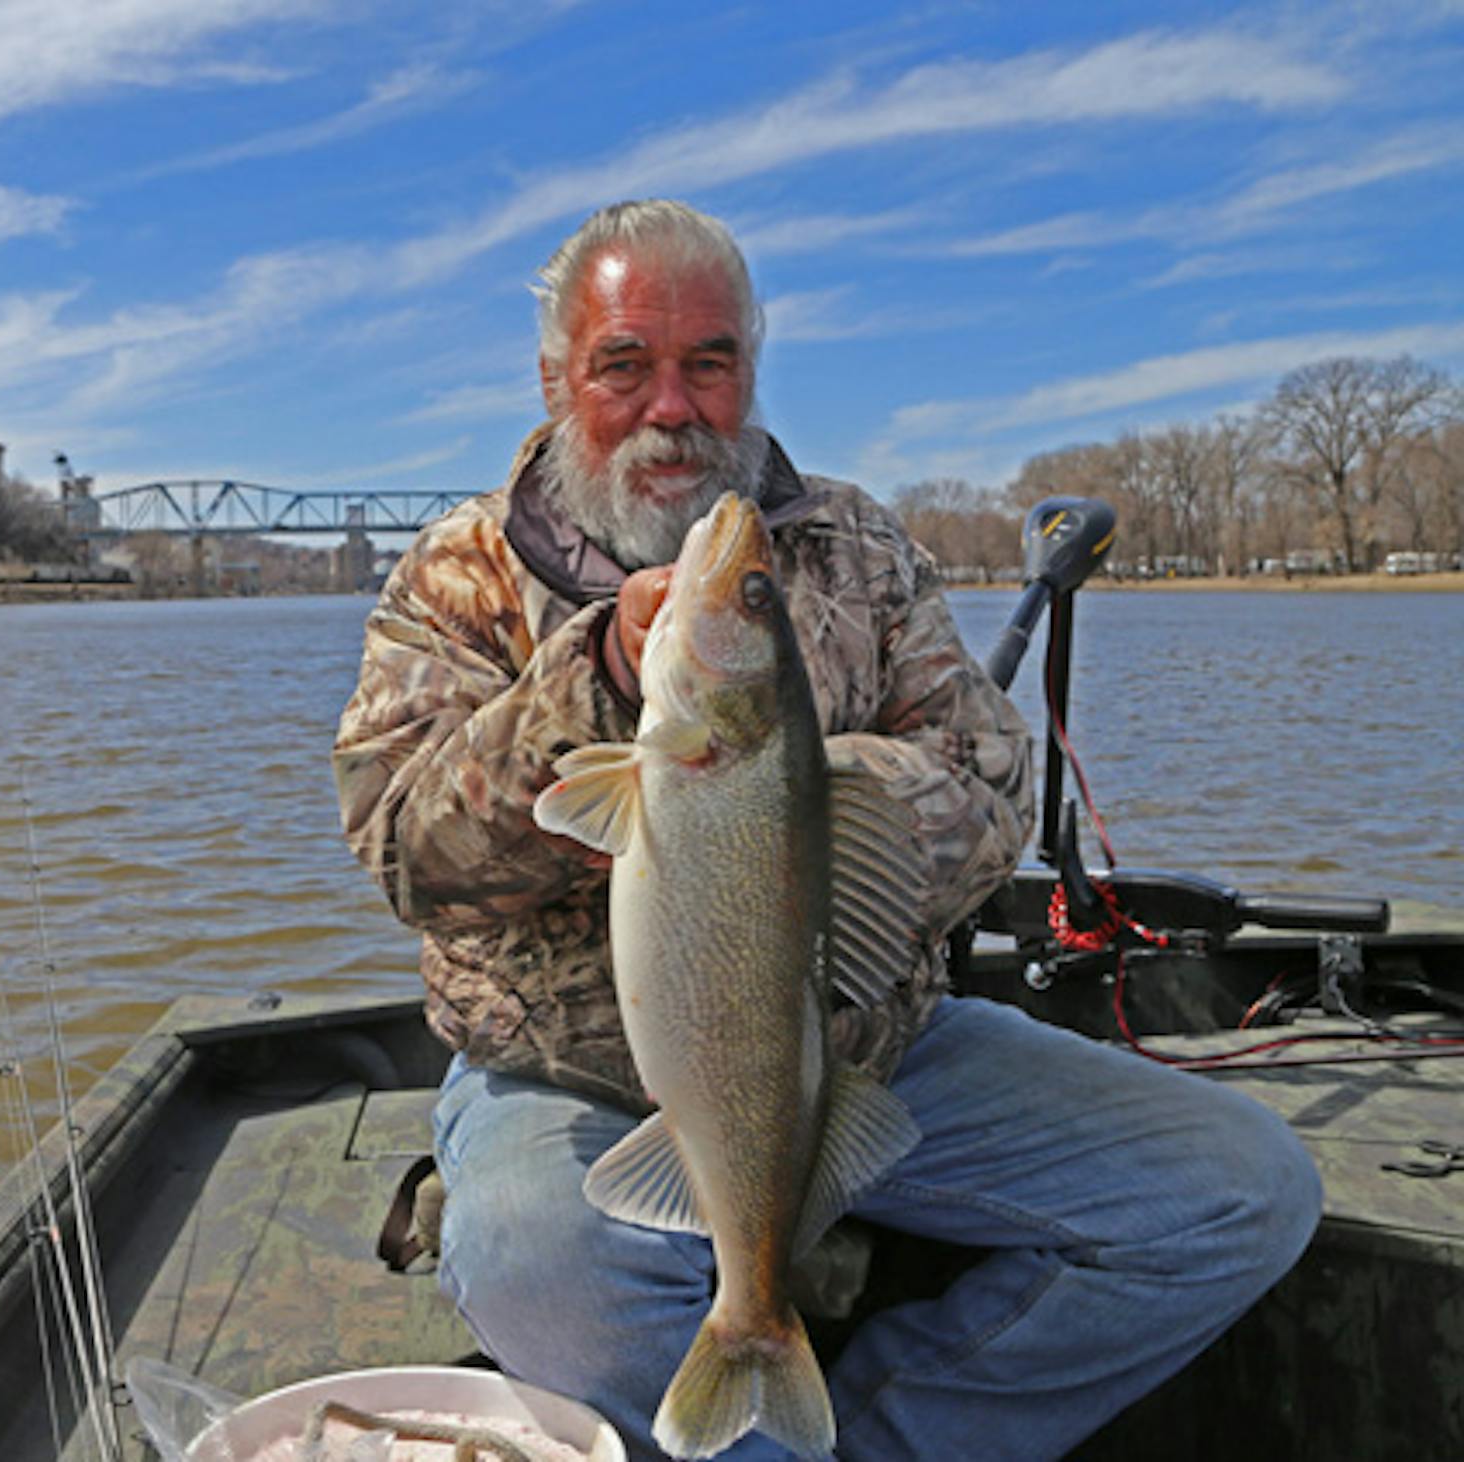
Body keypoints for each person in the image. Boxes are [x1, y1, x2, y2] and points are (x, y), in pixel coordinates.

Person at [331, 200, 1321, 1460]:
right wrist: (592, 682)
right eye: (624, 364)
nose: (671, 406)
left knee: (1241, 1191)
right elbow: (402, 845)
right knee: (537, 1263)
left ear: (751, 366)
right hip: (560, 1083)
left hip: (869, 1059)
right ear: (554, 378)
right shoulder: (457, 570)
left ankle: (881, 1439)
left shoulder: (859, 544)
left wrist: (807, 792)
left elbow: (996, 785)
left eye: (711, 361)